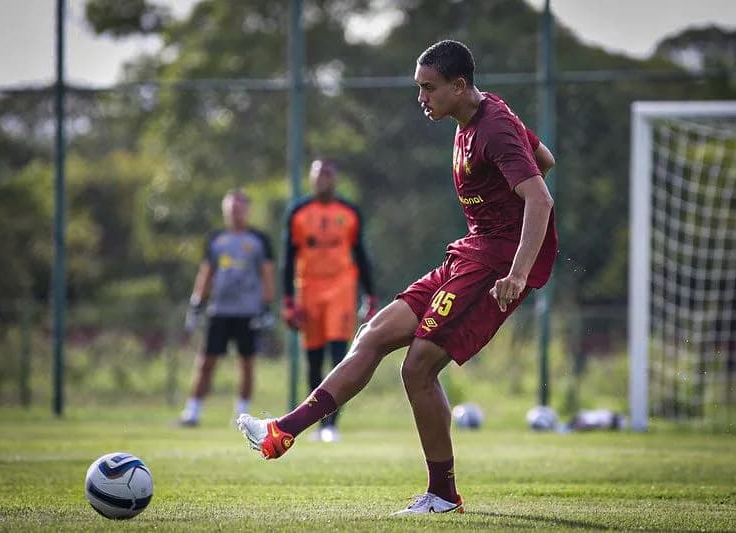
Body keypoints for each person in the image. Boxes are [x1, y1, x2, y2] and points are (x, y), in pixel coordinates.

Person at [238, 39, 557, 515]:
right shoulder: (479, 116)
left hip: (492, 267)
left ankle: (443, 495)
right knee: (373, 334)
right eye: (418, 87)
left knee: (418, 368)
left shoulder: (495, 128)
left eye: (429, 88)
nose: (421, 98)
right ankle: (282, 431)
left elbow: (541, 198)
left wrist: (516, 271)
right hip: (469, 253)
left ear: (459, 85)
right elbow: (544, 158)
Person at [281, 158, 377, 443]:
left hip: (341, 291)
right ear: (311, 178)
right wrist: (287, 300)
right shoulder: (298, 212)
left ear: (336, 179)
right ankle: (319, 422)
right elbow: (288, 259)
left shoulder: (349, 212)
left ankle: (332, 425)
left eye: (328, 174)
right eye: (318, 174)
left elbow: (361, 256)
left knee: (339, 357)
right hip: (308, 291)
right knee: (313, 361)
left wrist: (370, 295)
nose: (323, 179)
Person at [178, 190, 275, 426]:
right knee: (206, 362)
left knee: (247, 363)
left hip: (248, 312)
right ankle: (192, 412)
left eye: (240, 208)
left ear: (247, 210)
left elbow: (267, 275)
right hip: (219, 311)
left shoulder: (259, 240)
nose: (235, 212)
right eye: (231, 208)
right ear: (225, 210)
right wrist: (197, 303)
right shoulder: (215, 240)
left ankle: (241, 415)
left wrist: (267, 307)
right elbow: (206, 273)